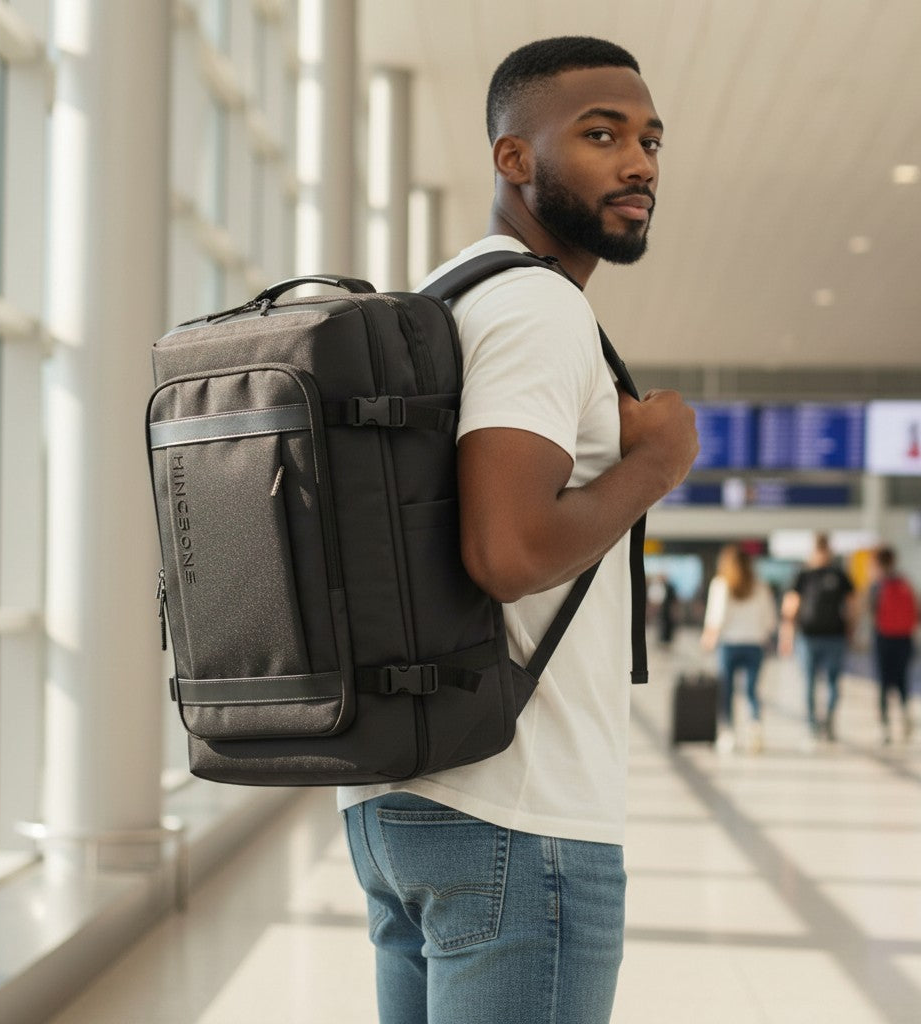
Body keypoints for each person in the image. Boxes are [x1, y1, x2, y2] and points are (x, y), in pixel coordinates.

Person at [337, 36, 699, 1024]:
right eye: (600, 135)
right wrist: (656, 466)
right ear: (513, 157)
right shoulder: (537, 307)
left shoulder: (449, 293)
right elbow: (508, 552)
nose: (639, 163)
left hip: (406, 796)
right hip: (519, 810)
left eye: (650, 141)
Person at [779, 533, 857, 744]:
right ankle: (812, 723)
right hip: (808, 637)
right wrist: (786, 636)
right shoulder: (803, 575)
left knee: (833, 682)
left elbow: (852, 605)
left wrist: (851, 629)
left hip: (834, 636)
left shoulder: (839, 575)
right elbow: (790, 607)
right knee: (809, 682)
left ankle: (828, 720)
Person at [701, 545, 777, 754]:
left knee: (727, 691)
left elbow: (717, 616)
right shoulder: (760, 586)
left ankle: (728, 734)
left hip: (729, 644)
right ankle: (755, 729)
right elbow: (770, 620)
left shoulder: (721, 584)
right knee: (752, 690)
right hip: (755, 644)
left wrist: (708, 638)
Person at [870, 546, 919, 743]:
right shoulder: (905, 582)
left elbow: (872, 612)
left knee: (883, 682)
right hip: (904, 638)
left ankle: (885, 726)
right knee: (902, 679)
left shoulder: (877, 585)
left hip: (884, 638)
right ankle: (905, 716)